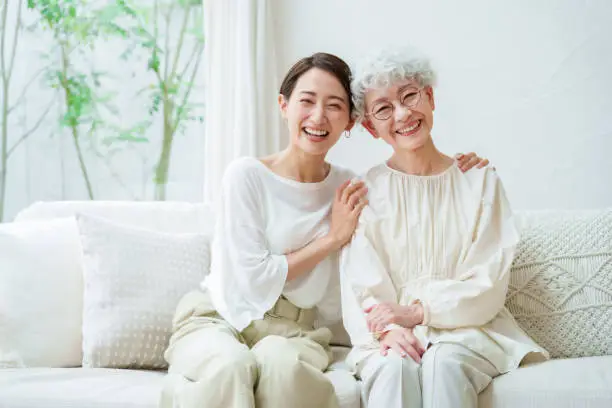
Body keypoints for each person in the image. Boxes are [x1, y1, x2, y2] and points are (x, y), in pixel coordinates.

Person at [160, 52, 489, 408]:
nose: (318, 117)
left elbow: (381, 253)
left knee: (284, 371)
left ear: (350, 121)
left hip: (295, 332)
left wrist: (457, 171)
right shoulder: (246, 176)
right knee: (230, 366)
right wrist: (332, 238)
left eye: (334, 105)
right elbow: (252, 280)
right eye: (307, 101)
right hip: (219, 317)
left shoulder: (352, 187)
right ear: (283, 105)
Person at [339, 46, 550, 408]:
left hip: (469, 330)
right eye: (384, 108)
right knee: (394, 367)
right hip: (393, 335)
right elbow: (363, 285)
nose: (403, 114)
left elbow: (489, 279)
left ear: (430, 97)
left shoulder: (479, 181)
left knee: (444, 362)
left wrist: (419, 311)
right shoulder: (365, 193)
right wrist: (391, 328)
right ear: (372, 127)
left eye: (410, 95)